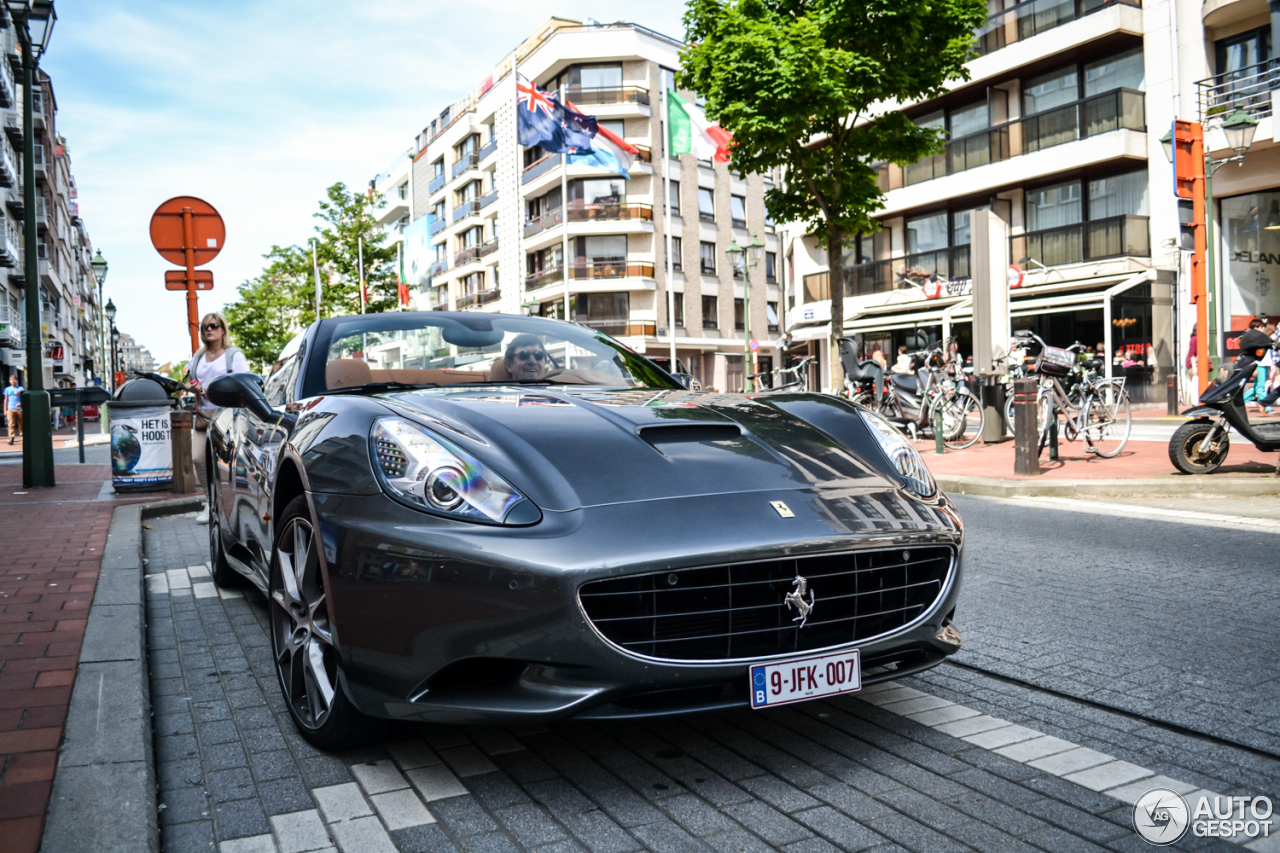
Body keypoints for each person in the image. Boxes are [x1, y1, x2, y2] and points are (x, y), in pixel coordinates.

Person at [185, 312, 249, 523]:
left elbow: (244, 383)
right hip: (204, 417)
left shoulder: (233, 355)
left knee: (227, 466)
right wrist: (193, 388)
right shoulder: (198, 357)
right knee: (197, 458)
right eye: (205, 327)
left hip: (228, 417)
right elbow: (188, 382)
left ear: (222, 329)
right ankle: (209, 503)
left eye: (213, 325)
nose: (209, 330)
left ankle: (230, 507)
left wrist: (214, 392)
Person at [4, 374, 21, 445]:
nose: (13, 381)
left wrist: (20, 403)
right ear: (9, 381)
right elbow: (6, 399)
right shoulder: (7, 389)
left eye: (14, 380)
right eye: (11, 380)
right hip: (10, 408)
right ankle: (11, 438)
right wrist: (5, 409)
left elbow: (24, 398)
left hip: (19, 409)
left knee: (21, 423)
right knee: (11, 424)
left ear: (16, 380)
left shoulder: (20, 388)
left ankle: (22, 436)